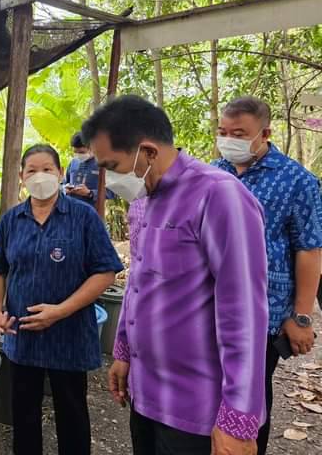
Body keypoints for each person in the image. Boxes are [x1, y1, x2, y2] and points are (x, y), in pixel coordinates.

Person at [83, 95, 268, 455]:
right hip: (147, 396)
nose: (109, 178)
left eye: (113, 165)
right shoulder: (141, 200)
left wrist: (237, 419)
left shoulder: (218, 196)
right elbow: (138, 282)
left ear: (148, 151)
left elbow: (244, 313)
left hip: (197, 409)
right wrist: (123, 351)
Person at [0, 144, 123, 455]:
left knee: (72, 414)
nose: (40, 176)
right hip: (23, 335)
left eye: (47, 169)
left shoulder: (83, 217)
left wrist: (60, 311)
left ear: (61, 173)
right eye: (32, 170)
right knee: (24, 415)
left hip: (69, 336)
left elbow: (106, 272)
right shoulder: (11, 221)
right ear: (21, 177)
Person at [212, 96, 322, 455]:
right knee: (209, 396)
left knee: (250, 401)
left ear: (264, 134)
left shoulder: (297, 181)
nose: (229, 140)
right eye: (223, 132)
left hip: (263, 314)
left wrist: (301, 316)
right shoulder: (215, 173)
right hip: (208, 307)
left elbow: (309, 250)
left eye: (239, 133)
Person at [64, 131, 114, 205]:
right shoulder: (73, 162)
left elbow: (111, 193)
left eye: (81, 152)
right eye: (75, 152)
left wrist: (89, 193)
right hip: (71, 210)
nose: (78, 155)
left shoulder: (103, 166)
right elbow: (64, 182)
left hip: (92, 212)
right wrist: (65, 189)